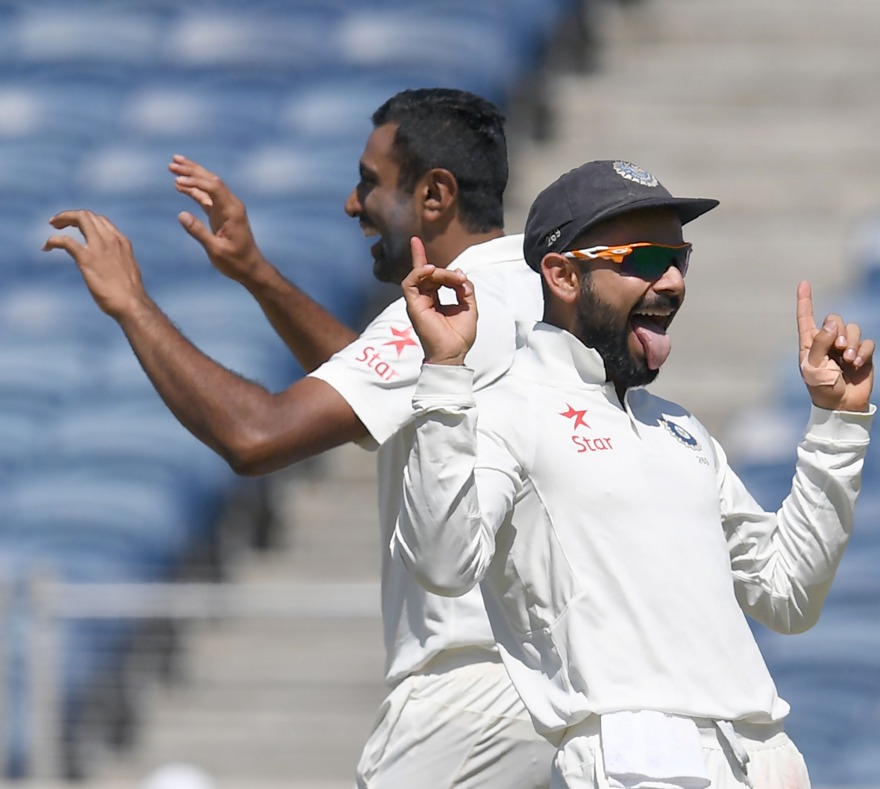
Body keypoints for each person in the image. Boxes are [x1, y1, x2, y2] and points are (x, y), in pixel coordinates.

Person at [43, 88, 553, 789]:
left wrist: (132, 303)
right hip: (546, 687)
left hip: (470, 696)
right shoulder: (532, 295)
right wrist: (256, 272)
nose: (352, 204)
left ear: (435, 195)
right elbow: (372, 387)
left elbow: (255, 436)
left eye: (370, 183)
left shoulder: (444, 307)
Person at [395, 159, 876, 789]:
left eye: (681, 258)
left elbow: (787, 595)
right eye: (645, 259)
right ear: (563, 275)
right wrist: (445, 374)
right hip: (636, 759)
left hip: (763, 758)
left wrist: (838, 426)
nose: (673, 282)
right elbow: (442, 563)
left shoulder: (680, 429)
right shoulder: (503, 406)